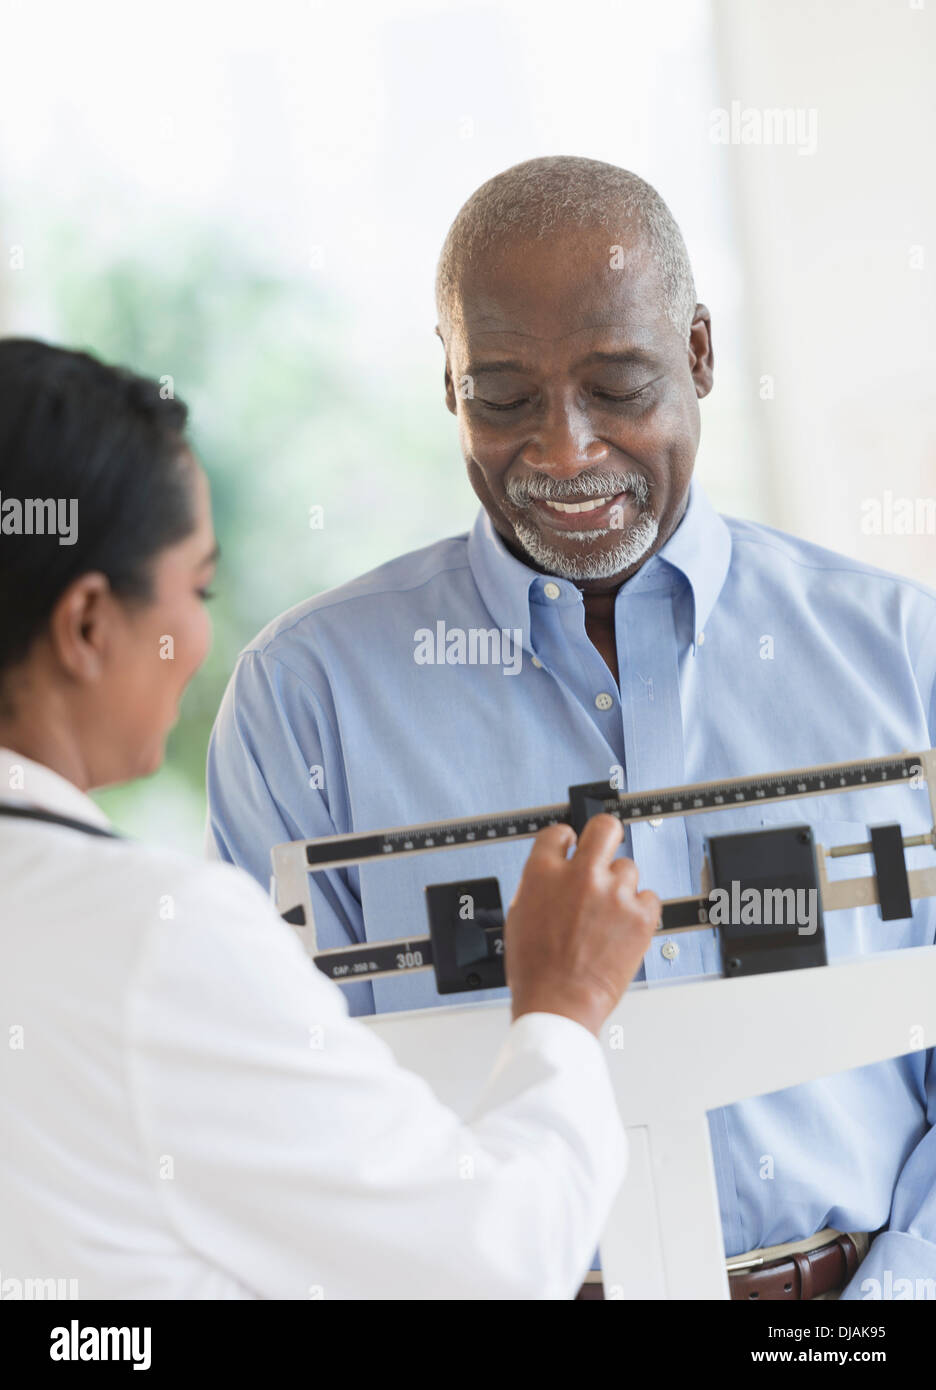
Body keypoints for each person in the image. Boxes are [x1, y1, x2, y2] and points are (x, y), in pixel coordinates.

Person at [206, 155, 936, 1302]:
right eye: (502, 397)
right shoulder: (307, 701)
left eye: (620, 384)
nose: (564, 449)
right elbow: (295, 1126)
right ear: (447, 383)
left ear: (699, 352)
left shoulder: (904, 653)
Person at [0, 337, 661, 1300]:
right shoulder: (155, 938)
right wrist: (561, 1006)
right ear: (89, 624)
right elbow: (487, 1265)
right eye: (199, 588)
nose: (204, 641)